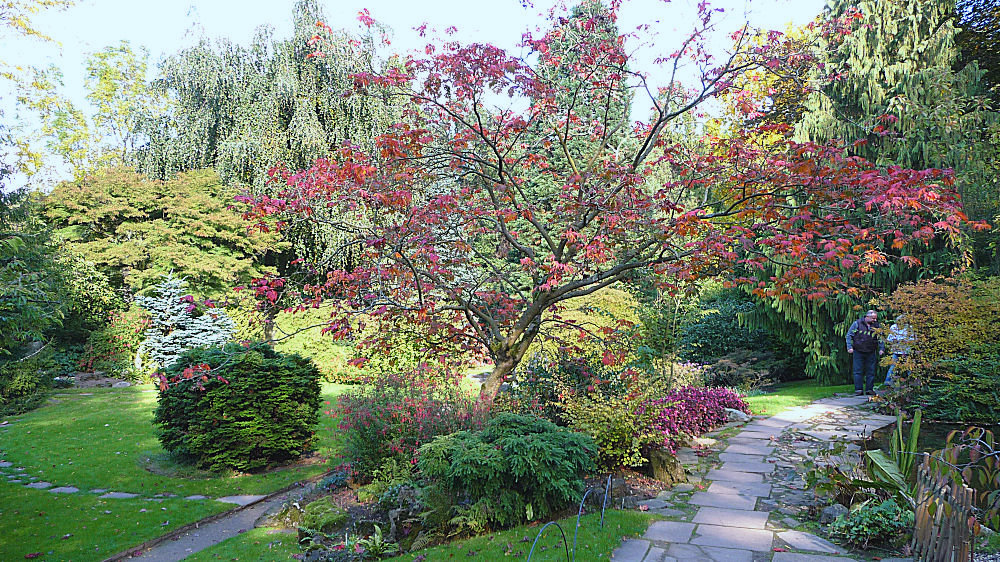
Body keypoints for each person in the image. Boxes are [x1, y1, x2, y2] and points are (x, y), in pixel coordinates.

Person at [846, 309, 884, 395]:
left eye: (875, 318)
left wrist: (881, 349)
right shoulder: (857, 323)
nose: (875, 320)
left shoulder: (877, 326)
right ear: (867, 317)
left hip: (871, 351)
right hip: (858, 351)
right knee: (857, 371)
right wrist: (849, 347)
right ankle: (858, 390)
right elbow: (849, 335)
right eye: (873, 318)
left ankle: (869, 389)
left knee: (871, 371)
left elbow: (880, 338)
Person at [883, 317, 912, 387]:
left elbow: (913, 339)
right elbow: (889, 338)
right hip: (896, 350)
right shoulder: (893, 327)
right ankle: (888, 382)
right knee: (893, 366)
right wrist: (894, 340)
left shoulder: (909, 328)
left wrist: (905, 342)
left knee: (909, 367)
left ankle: (912, 382)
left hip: (906, 350)